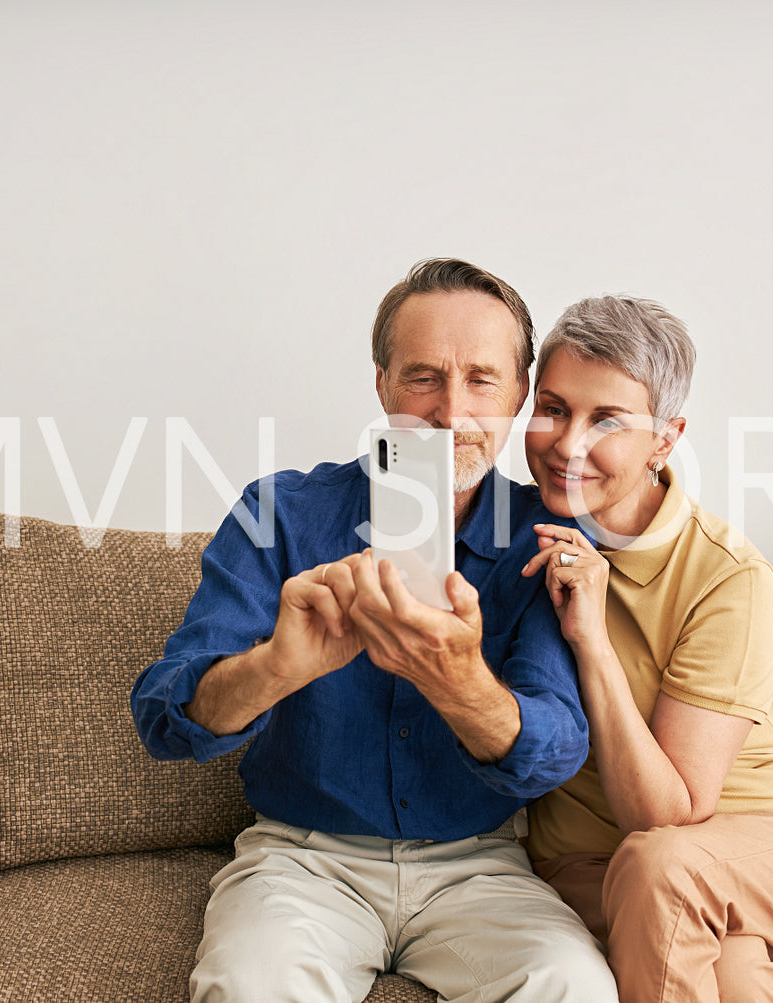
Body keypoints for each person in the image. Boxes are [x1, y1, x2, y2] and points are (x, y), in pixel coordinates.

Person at [131, 259, 618, 1003]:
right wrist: (277, 666)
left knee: (573, 986)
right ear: (383, 384)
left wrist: (456, 682)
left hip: (479, 865)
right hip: (302, 858)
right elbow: (164, 719)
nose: (450, 412)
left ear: (519, 394)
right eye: (423, 376)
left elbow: (553, 748)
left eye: (482, 380)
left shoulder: (543, 538)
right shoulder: (279, 514)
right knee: (249, 987)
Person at [518, 295, 773, 1003]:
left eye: (607, 419)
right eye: (552, 407)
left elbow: (666, 816)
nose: (567, 443)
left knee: (664, 864)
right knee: (731, 975)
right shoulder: (506, 536)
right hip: (587, 865)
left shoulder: (725, 576)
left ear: (664, 440)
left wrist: (591, 639)